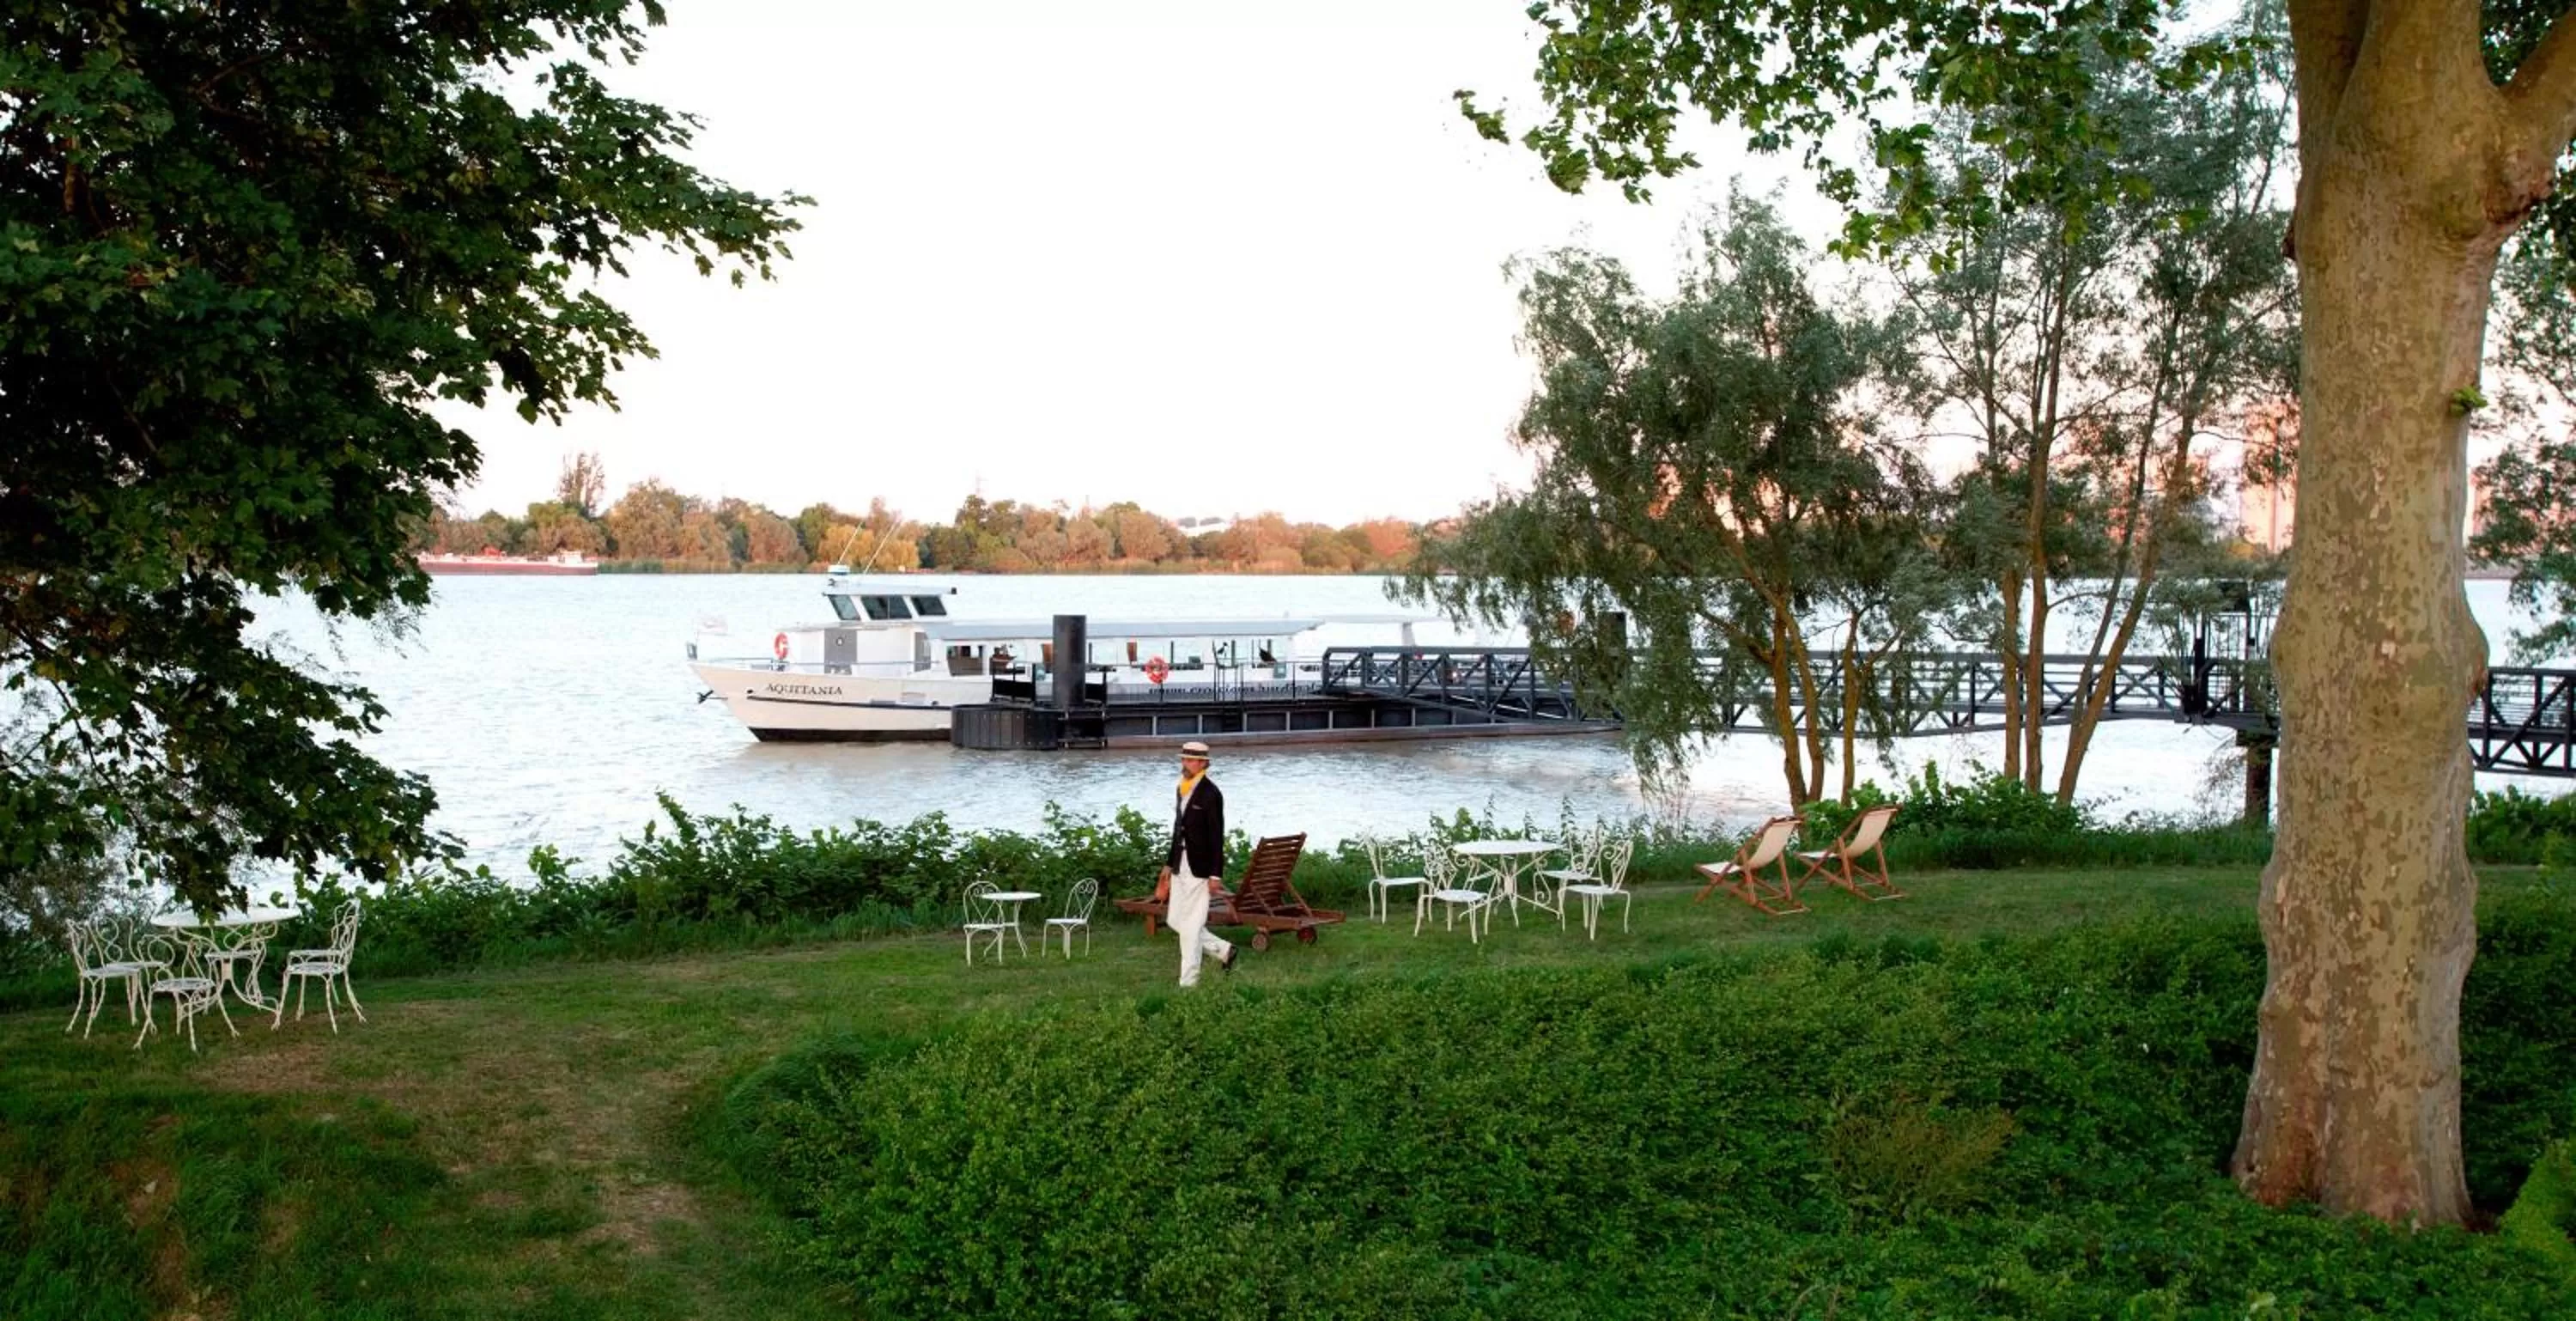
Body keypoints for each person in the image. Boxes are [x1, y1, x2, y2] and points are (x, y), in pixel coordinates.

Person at [1153, 740, 1236, 985]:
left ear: (1202, 763)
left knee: (1191, 926)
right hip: (1180, 864)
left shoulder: (1211, 794)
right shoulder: (1181, 788)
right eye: (1183, 759)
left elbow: (1216, 836)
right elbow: (1178, 829)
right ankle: (1223, 950)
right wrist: (1169, 864)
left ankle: (1189, 981)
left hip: (1201, 870)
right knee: (1175, 920)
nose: (1185, 764)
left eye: (1189, 760)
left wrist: (1215, 875)